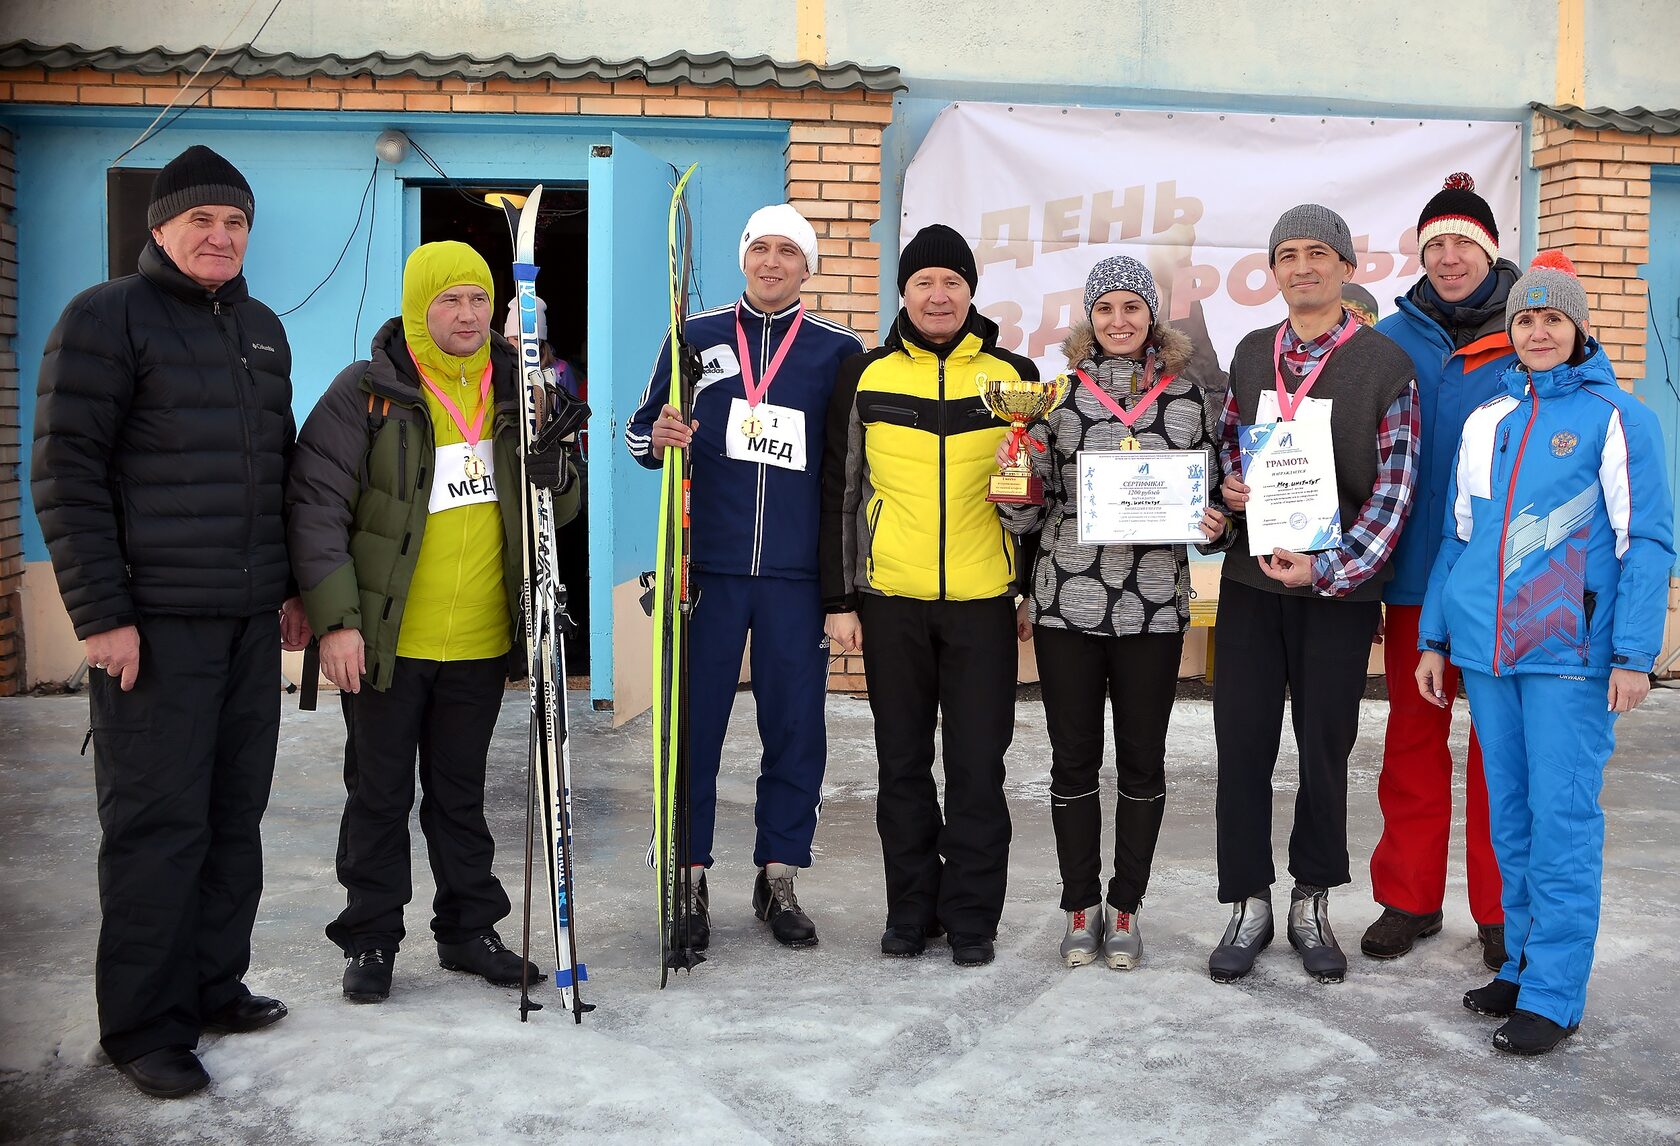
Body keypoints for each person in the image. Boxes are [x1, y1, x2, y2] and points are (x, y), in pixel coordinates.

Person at [31, 145, 305, 1099]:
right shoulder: (106, 320)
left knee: (235, 813)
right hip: (151, 627)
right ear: (160, 228)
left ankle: (212, 984)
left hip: (244, 623)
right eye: (202, 222)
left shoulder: (262, 329)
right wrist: (103, 616)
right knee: (156, 823)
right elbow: (66, 475)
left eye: (235, 223)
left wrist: (295, 587)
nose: (221, 237)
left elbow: (279, 476)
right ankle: (144, 1025)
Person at [287, 241, 581, 1004]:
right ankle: (373, 938)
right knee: (379, 794)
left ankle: (467, 930)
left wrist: (561, 474)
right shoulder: (368, 392)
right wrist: (337, 623)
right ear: (421, 307)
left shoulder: (523, 389)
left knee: (461, 794)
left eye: (478, 299)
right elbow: (315, 509)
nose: (466, 314)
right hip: (388, 639)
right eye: (449, 300)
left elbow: (559, 511)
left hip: (479, 639)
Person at [1417, 252, 1674, 1055]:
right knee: (1512, 818)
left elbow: (1648, 540)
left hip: (1570, 651)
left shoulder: (1618, 416)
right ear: (1511, 329)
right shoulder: (1488, 418)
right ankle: (1525, 967)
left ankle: (1556, 994)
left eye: (1552, 318)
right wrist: (1434, 636)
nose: (1537, 330)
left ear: (1578, 328)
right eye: (1525, 318)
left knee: (1562, 821)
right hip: (1489, 654)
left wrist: (1633, 654)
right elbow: (1460, 535)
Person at [625, 204, 864, 950]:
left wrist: (841, 589)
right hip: (709, 570)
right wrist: (657, 434)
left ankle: (780, 873)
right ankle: (687, 876)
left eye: (787, 252)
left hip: (795, 576)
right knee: (693, 726)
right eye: (759, 248)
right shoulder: (693, 335)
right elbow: (640, 431)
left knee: (795, 730)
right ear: (743, 258)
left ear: (807, 267)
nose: (771, 262)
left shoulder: (838, 351)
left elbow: (849, 472)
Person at [997, 255, 1229, 969]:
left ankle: (1126, 904)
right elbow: (1023, 515)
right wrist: (1012, 482)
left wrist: (1213, 521)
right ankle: (1079, 903)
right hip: (1067, 605)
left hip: (1155, 608)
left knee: (1142, 763)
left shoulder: (1190, 399)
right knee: (1072, 763)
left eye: (1132, 307)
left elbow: (1214, 496)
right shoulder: (1056, 398)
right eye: (1106, 309)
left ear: (1151, 317)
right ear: (1088, 319)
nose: (1120, 321)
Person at [1208, 204, 1420, 985]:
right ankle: (1248, 902)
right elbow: (1231, 449)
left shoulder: (1385, 365)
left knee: (1324, 750)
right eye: (1288, 254)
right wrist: (1230, 490)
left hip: (1337, 591)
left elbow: (1394, 497)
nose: (1303, 266)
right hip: (1252, 583)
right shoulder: (1250, 352)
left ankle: (1311, 900)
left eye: (1318, 253)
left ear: (1347, 266)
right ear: (1273, 271)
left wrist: (1328, 571)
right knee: (1243, 745)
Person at [820, 223, 1036, 968]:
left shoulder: (1013, 374)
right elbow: (842, 494)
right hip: (893, 602)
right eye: (923, 283)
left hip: (983, 602)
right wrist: (840, 597)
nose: (938, 295)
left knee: (979, 767)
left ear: (971, 291)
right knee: (902, 763)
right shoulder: (868, 374)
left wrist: (1028, 588)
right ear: (904, 294)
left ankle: (971, 916)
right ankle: (910, 909)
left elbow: (1037, 490)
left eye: (951, 282)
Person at [1364, 174, 1521, 969]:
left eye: (1464, 242)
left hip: (1504, 586)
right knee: (1413, 737)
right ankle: (1409, 898)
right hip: (1413, 580)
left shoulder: (1532, 334)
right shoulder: (1390, 339)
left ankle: (1500, 909)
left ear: (1490, 252)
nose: (1450, 257)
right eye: (1435, 245)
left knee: (1500, 746)